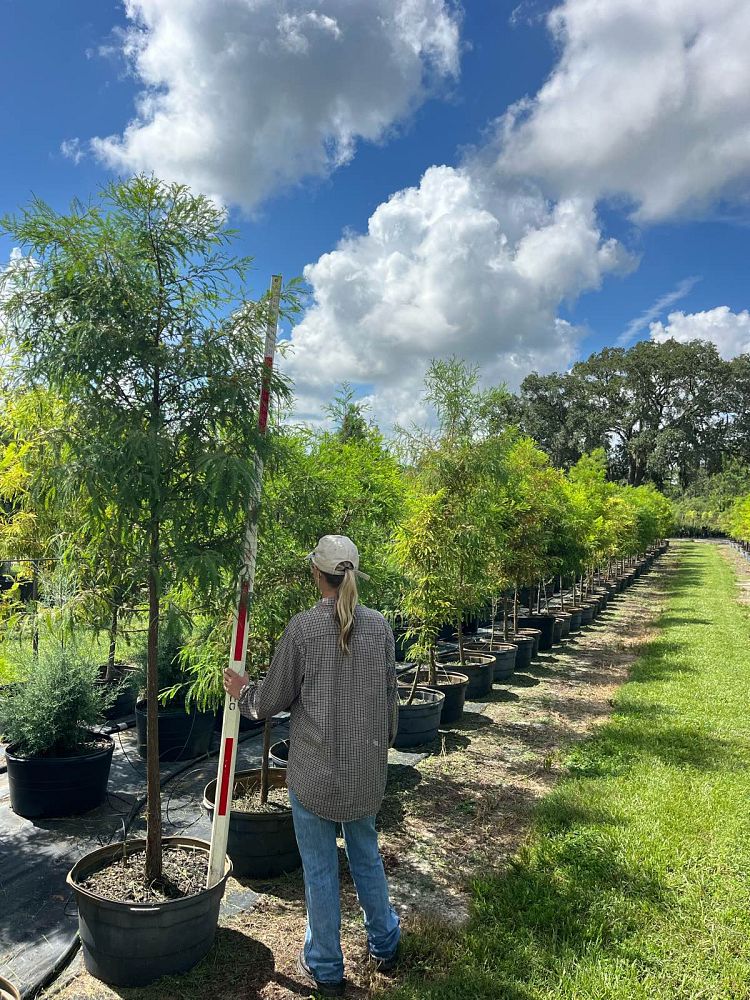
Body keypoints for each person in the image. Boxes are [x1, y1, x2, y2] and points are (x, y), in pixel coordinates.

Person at [223, 534, 401, 997]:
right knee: (366, 855)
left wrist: (242, 691)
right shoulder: (380, 628)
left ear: (315, 575)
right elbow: (390, 705)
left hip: (314, 776)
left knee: (320, 869)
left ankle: (325, 967)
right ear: (353, 575)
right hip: (364, 776)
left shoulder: (302, 630)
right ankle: (385, 940)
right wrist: (377, 753)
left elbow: (269, 701)